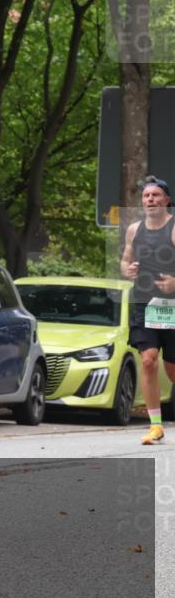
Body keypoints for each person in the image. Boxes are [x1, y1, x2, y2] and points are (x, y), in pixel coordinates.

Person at [120, 176, 175, 445]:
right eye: (146, 196)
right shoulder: (134, 229)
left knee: (173, 369)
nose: (150, 199)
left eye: (155, 195)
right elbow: (125, 260)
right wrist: (127, 269)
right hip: (144, 303)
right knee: (148, 359)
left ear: (167, 200)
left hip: (173, 306)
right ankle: (156, 426)